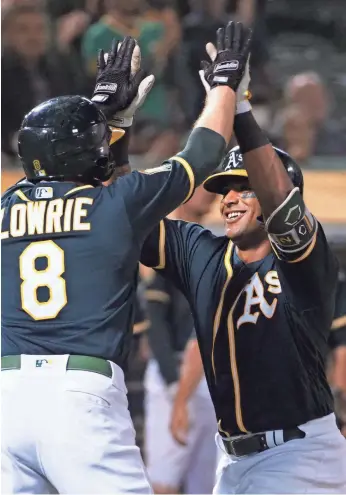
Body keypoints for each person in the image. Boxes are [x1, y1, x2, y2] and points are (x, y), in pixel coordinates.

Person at [1, 25, 252, 494]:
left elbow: (78, 173)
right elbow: (204, 151)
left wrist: (106, 121)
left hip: (8, 397)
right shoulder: (115, 203)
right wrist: (225, 85)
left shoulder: (5, 206)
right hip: (78, 396)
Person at [139, 27, 346, 493]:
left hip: (300, 456)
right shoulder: (202, 252)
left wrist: (242, 111)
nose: (229, 199)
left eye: (243, 188)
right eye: (224, 189)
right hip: (229, 459)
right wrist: (113, 134)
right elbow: (122, 218)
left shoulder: (305, 262)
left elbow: (280, 200)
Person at [143, 186, 217, 494]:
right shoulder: (167, 247)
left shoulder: (216, 249)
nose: (210, 192)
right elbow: (155, 325)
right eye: (202, 185)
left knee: (210, 482)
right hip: (172, 372)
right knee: (164, 481)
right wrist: (176, 387)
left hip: (213, 377)